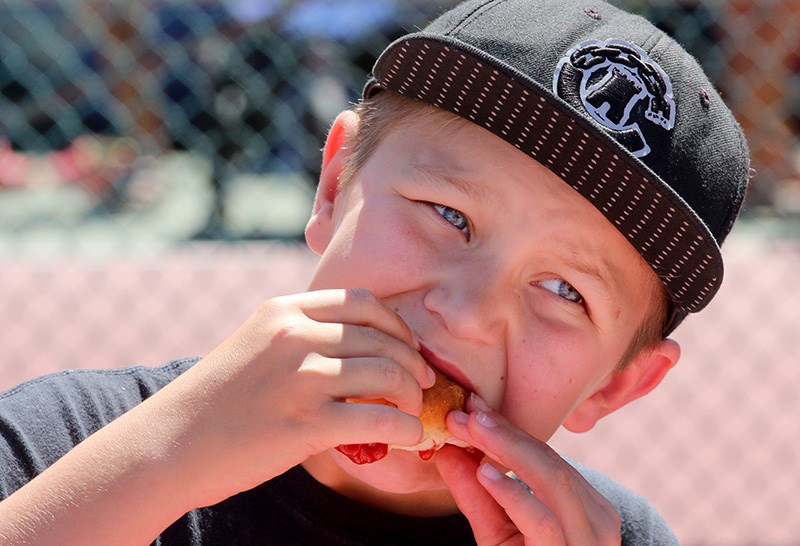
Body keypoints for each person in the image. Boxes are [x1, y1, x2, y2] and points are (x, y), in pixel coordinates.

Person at [0, 0, 750, 544]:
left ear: (618, 384)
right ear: (334, 187)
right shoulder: (64, 446)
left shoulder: (616, 539)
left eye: (565, 291)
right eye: (447, 215)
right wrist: (162, 462)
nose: (470, 309)